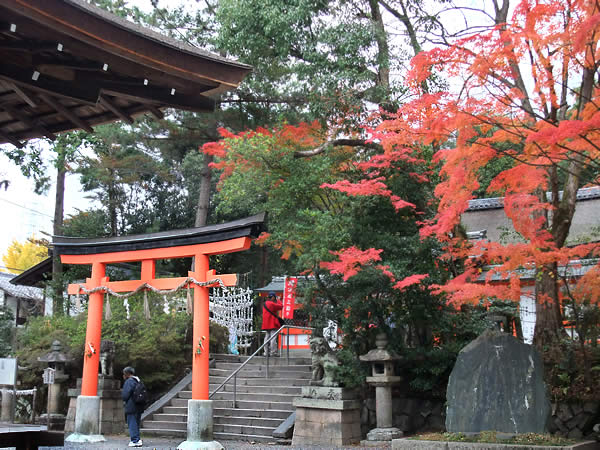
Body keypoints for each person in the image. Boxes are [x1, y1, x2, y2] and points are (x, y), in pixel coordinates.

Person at [122, 366, 143, 447]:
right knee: (136, 423)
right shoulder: (138, 380)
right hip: (139, 405)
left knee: (132, 423)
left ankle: (135, 440)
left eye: (124, 374)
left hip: (131, 405)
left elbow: (125, 395)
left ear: (127, 374)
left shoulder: (129, 381)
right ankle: (137, 439)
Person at [261, 291, 283, 356]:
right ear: (273, 297)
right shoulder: (272, 304)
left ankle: (266, 352)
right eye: (274, 297)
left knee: (267, 338)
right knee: (273, 338)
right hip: (272, 323)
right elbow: (281, 306)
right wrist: (278, 300)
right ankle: (273, 352)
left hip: (266, 324)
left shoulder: (265, 304)